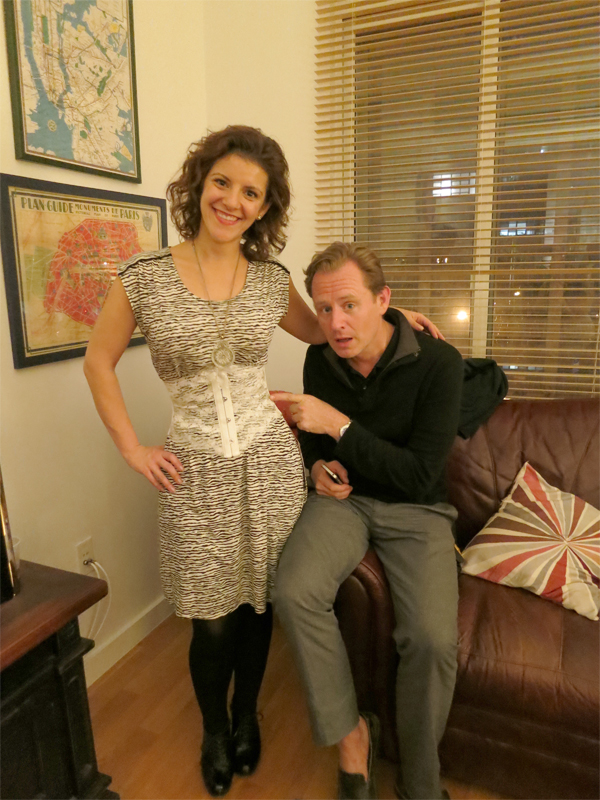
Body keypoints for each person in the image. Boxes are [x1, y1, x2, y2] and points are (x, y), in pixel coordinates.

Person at [84, 126, 441, 798]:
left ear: (264, 206)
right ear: (200, 184)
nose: (233, 200)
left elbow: (329, 328)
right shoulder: (144, 277)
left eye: (251, 192)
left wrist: (394, 314)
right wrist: (133, 448)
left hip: (269, 464)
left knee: (258, 609)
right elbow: (97, 362)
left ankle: (247, 715)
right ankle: (214, 730)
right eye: (223, 182)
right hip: (193, 471)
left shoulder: (272, 280)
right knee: (212, 619)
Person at [272, 241, 464, 800]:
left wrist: (340, 426)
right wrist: (315, 466)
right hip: (345, 501)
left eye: (350, 305)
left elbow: (419, 475)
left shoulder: (439, 364)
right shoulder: (320, 359)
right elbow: (314, 439)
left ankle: (421, 782)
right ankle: (352, 735)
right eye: (324, 309)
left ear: (384, 301)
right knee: (293, 591)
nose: (335, 323)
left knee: (431, 640)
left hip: (417, 509)